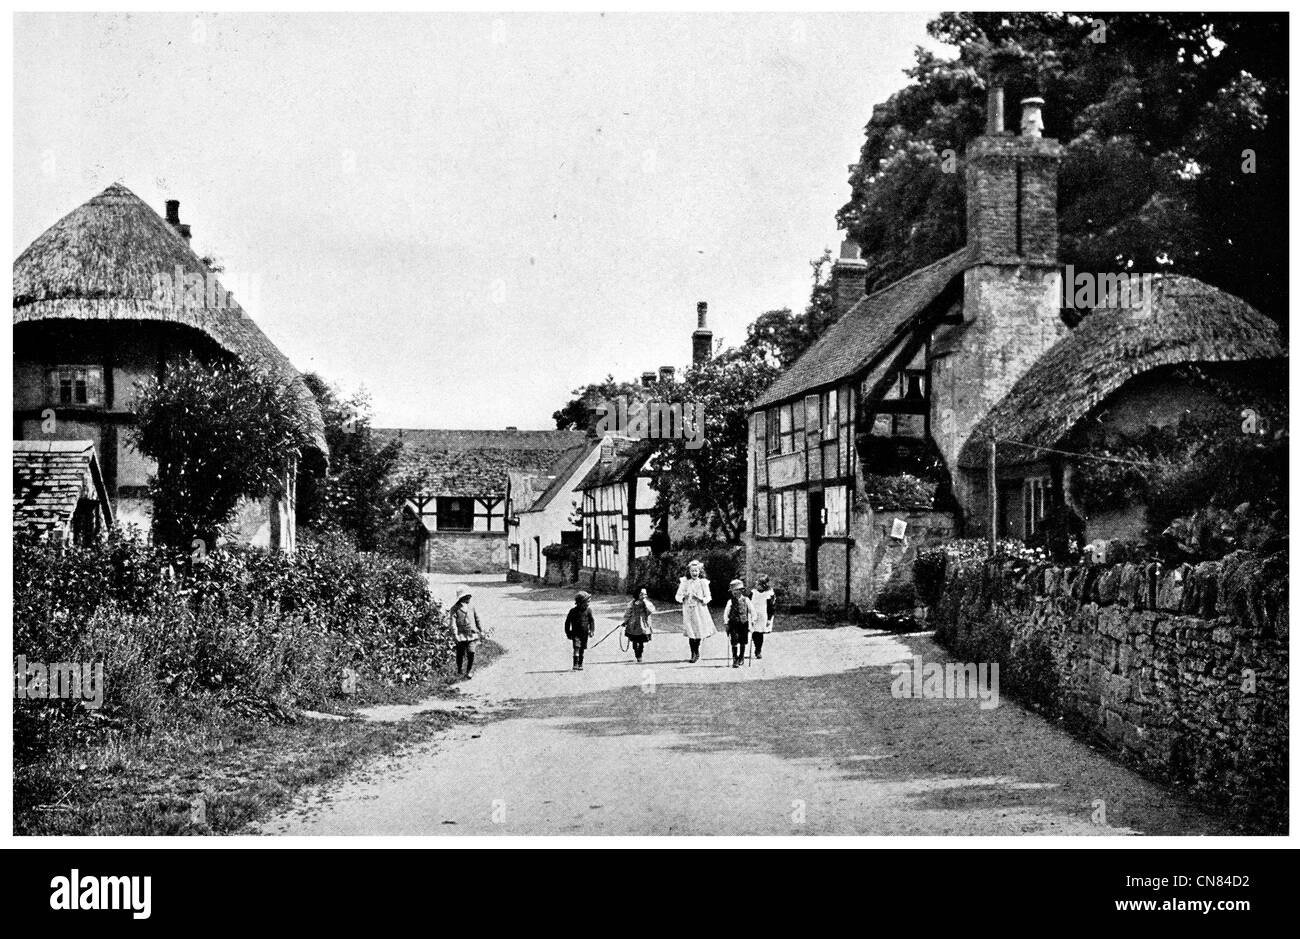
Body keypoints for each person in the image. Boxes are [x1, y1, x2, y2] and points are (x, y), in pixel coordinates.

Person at [675, 558, 714, 663]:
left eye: (696, 571)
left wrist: (700, 599)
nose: (694, 573)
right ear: (689, 572)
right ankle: (693, 653)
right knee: (691, 632)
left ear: (700, 571)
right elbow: (677, 596)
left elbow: (708, 597)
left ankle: (697, 650)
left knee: (698, 631)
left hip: (700, 610)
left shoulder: (703, 583)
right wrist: (684, 597)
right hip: (688, 610)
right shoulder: (685, 583)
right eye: (692, 571)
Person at [449, 587, 483, 679]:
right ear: (462, 598)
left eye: (469, 596)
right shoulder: (455, 609)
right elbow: (453, 623)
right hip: (461, 635)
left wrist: (481, 630)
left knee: (471, 652)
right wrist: (455, 634)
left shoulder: (471, 607)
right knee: (460, 653)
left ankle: (469, 671)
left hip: (472, 634)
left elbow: (477, 619)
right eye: (467, 596)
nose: (469, 598)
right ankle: (460, 669)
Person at [722, 578, 753, 668]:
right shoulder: (730, 601)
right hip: (733, 624)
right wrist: (726, 622)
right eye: (733, 591)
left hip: (744, 623)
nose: (735, 593)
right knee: (734, 641)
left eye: (737, 590)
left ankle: (741, 657)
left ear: (741, 591)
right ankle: (735, 659)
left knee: (743, 641)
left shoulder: (746, 600)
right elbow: (726, 612)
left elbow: (752, 610)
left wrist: (753, 620)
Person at [565, 591, 596, 671]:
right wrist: (568, 632)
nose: (588, 604)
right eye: (586, 602)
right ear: (579, 603)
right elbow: (567, 622)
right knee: (576, 648)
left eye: (589, 602)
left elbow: (591, 621)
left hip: (584, 634)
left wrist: (592, 631)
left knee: (582, 649)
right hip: (575, 633)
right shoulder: (573, 611)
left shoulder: (589, 610)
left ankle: (580, 664)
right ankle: (575, 664)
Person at [622, 588, 655, 663]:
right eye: (641, 594)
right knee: (634, 640)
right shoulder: (632, 603)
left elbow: (651, 610)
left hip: (643, 624)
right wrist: (625, 621)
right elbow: (628, 613)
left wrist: (645, 603)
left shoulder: (646, 603)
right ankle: (636, 652)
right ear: (637, 595)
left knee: (641, 641)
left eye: (645, 594)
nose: (643, 596)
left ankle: (639, 654)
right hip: (633, 624)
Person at [750, 574, 775, 660]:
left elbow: (771, 608)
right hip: (754, 615)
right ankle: (756, 645)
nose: (756, 585)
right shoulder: (753, 593)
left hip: (763, 616)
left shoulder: (768, 594)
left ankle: (758, 650)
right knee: (754, 632)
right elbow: (748, 604)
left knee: (760, 633)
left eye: (758, 584)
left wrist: (769, 619)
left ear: (763, 585)